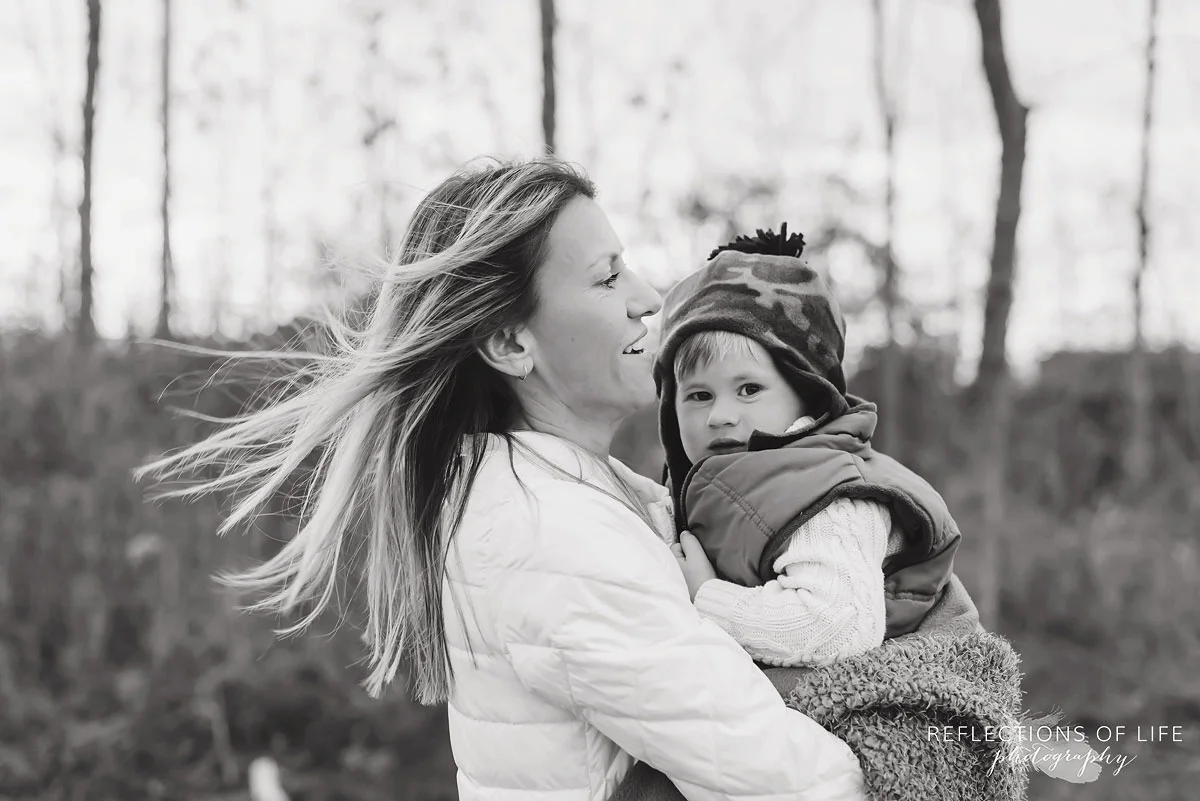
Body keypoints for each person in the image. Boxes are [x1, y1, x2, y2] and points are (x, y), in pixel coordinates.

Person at [138, 160, 867, 801]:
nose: (649, 295)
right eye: (608, 276)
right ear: (511, 342)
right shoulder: (557, 541)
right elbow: (798, 784)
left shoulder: (580, 495)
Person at [654, 225, 981, 668]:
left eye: (749, 389)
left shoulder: (828, 496)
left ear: (807, 393)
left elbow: (836, 628)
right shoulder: (705, 488)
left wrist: (705, 597)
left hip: (923, 700)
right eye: (698, 396)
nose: (720, 415)